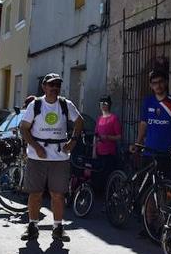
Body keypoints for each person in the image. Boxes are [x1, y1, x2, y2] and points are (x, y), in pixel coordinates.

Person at [19, 73, 84, 242]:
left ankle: (58, 227)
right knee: (35, 193)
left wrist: (73, 141)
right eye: (51, 84)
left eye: (57, 85)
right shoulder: (36, 105)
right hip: (37, 157)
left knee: (58, 194)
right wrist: (36, 147)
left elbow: (79, 122)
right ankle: (33, 226)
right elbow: (24, 128)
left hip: (60, 157)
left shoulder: (65, 104)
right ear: (44, 87)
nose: (54, 88)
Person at [130, 69, 171, 177]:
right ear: (151, 86)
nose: (158, 85)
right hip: (149, 151)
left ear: (166, 82)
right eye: (154, 83)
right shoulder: (147, 101)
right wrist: (138, 143)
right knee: (146, 189)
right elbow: (143, 123)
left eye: (160, 82)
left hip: (167, 152)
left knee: (167, 188)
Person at [92, 95, 121, 191]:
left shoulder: (114, 119)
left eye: (105, 103)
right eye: (101, 103)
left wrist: (108, 137)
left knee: (108, 176)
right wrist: (94, 152)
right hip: (99, 152)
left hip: (109, 154)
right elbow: (95, 136)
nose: (103, 105)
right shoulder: (99, 119)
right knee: (98, 175)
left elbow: (119, 136)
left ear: (109, 105)